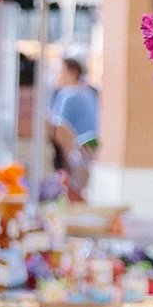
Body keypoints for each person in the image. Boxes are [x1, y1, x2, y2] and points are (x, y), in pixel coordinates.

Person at [47, 56, 100, 200]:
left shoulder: (68, 95)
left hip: (73, 157)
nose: (55, 76)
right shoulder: (89, 93)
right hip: (88, 155)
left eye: (59, 71)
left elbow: (54, 128)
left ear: (73, 72)